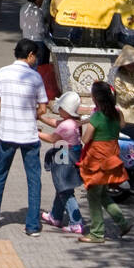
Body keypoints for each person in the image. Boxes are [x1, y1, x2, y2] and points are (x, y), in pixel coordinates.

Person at [0, 39, 47, 236]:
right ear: (31, 55)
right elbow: (42, 108)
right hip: (29, 136)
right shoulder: (35, 77)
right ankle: (32, 225)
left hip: (6, 133)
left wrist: (9, 110)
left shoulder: (3, 72)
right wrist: (29, 113)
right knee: (34, 179)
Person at [77, 80, 133, 242]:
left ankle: (97, 233)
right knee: (102, 195)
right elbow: (122, 125)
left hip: (97, 162)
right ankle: (122, 223)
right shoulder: (117, 114)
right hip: (111, 160)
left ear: (95, 98)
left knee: (93, 197)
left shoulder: (97, 117)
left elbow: (85, 138)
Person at [39, 91, 85, 234]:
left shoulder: (66, 126)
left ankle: (76, 222)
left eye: (60, 108)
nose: (58, 110)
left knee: (65, 189)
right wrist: (40, 117)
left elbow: (52, 138)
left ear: (65, 109)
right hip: (66, 150)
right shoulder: (72, 122)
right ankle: (55, 216)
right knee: (61, 185)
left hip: (64, 153)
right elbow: (54, 123)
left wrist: (34, 133)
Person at [19, 0, 50, 65]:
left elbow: (22, 26)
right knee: (37, 67)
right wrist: (46, 27)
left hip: (25, 41)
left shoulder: (23, 8)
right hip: (37, 42)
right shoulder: (37, 11)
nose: (42, 1)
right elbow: (40, 30)